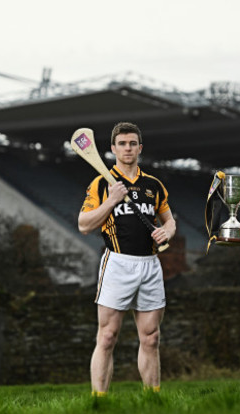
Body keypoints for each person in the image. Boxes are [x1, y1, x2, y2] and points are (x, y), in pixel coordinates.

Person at [78, 121, 176, 396]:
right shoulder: (100, 183)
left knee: (151, 337)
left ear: (140, 148)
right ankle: (99, 399)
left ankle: (153, 398)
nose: (127, 148)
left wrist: (165, 232)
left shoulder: (153, 185)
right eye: (122, 143)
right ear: (113, 149)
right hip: (117, 263)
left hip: (150, 265)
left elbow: (170, 221)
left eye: (132, 143)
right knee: (107, 336)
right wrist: (111, 200)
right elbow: (84, 225)